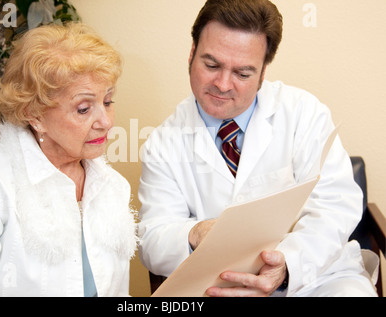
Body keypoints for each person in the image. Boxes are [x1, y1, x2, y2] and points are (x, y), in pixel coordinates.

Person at [138, 0, 378, 297]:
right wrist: (193, 233)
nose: (223, 84)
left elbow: (335, 204)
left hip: (315, 279)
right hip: (215, 288)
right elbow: (152, 239)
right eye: (211, 65)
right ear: (191, 54)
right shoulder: (162, 143)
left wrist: (287, 264)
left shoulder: (304, 113)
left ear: (263, 72)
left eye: (242, 73)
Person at [0, 23, 137, 297]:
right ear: (35, 115)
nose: (105, 121)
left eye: (108, 101)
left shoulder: (113, 186)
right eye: (83, 108)